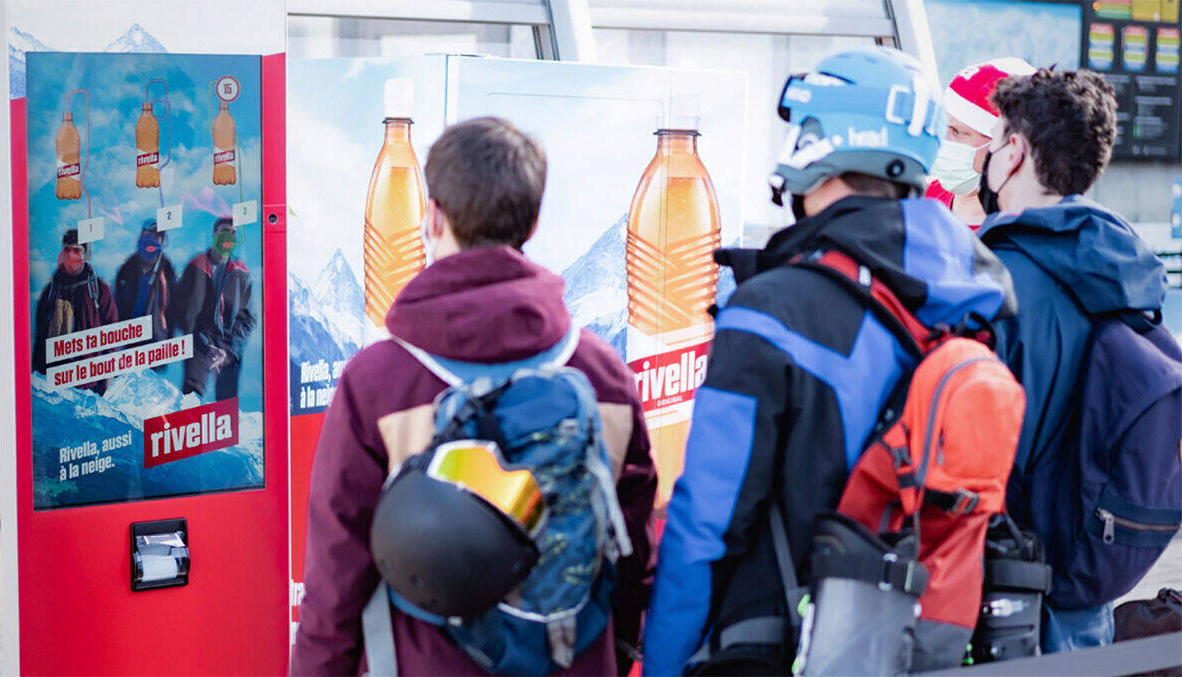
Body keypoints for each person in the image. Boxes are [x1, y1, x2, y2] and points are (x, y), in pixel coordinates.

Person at [642, 47, 1018, 676]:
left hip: (775, 645)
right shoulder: (983, 299)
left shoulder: (772, 310)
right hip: (924, 640)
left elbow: (705, 524)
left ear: (824, 147)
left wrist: (662, 664)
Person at [290, 117, 657, 676]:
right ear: (533, 221)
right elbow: (628, 551)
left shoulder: (379, 381)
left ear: (432, 217)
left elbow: (336, 581)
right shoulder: (603, 375)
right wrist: (619, 648)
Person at [976, 68, 1171, 652]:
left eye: (989, 142)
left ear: (1012, 153)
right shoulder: (1126, 272)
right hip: (1087, 589)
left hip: (1005, 599)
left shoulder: (992, 284)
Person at [927, 58, 1035, 229]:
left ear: (1008, 147)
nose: (943, 141)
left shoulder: (1021, 234)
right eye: (942, 126)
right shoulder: (917, 201)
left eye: (959, 132)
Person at [176, 217, 256, 401]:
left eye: (234, 233)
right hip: (199, 344)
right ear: (214, 234)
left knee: (227, 406)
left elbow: (248, 319)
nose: (229, 236)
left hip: (229, 347)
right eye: (225, 231)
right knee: (191, 402)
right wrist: (204, 345)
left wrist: (228, 352)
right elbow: (181, 312)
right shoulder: (195, 266)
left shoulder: (241, 271)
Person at [33, 228, 119, 394]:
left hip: (89, 383)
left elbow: (111, 333)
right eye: (67, 250)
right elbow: (40, 336)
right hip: (55, 382)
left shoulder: (98, 289)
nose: (71, 255)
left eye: (77, 250)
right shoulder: (51, 291)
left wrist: (107, 376)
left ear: (85, 254)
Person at [114, 219, 178, 346]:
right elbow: (117, 304)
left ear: (162, 241)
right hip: (130, 339)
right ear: (141, 236)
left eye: (158, 236)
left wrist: (168, 339)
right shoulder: (126, 269)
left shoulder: (168, 271)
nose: (152, 239)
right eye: (149, 234)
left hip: (158, 343)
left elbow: (174, 308)